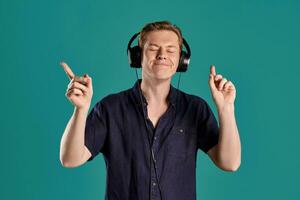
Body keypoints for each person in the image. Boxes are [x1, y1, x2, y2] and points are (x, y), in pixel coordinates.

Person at [59, 21, 241, 200]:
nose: (162, 55)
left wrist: (226, 109)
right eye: (153, 48)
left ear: (181, 60)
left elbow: (230, 163)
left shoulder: (195, 109)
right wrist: (81, 109)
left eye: (170, 50)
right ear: (138, 57)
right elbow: (70, 159)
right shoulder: (110, 108)